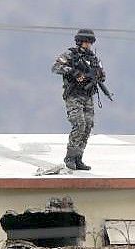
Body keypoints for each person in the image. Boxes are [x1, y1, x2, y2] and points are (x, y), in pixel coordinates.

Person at [51, 29, 108, 170]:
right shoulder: (71, 55)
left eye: (90, 42)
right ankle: (70, 157)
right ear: (79, 41)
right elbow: (55, 67)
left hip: (87, 96)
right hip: (74, 95)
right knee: (79, 124)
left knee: (88, 126)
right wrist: (73, 71)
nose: (88, 44)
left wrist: (97, 75)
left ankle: (78, 158)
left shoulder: (94, 59)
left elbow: (103, 75)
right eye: (86, 41)